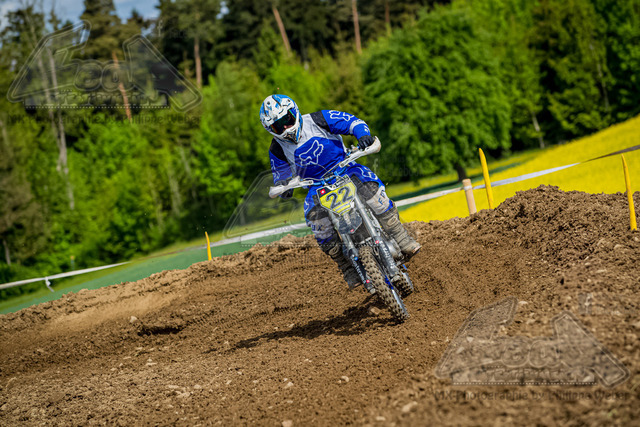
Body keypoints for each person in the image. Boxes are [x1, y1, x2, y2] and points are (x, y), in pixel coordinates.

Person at [260, 94, 421, 288]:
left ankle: (401, 237)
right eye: (278, 126)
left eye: (287, 119)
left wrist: (363, 135)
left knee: (372, 191)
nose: (286, 128)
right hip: (316, 185)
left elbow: (352, 122)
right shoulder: (277, 148)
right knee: (317, 222)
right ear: (271, 129)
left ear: (295, 112)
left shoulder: (318, 119)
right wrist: (283, 186)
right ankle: (346, 266)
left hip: (345, 168)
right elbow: (280, 174)